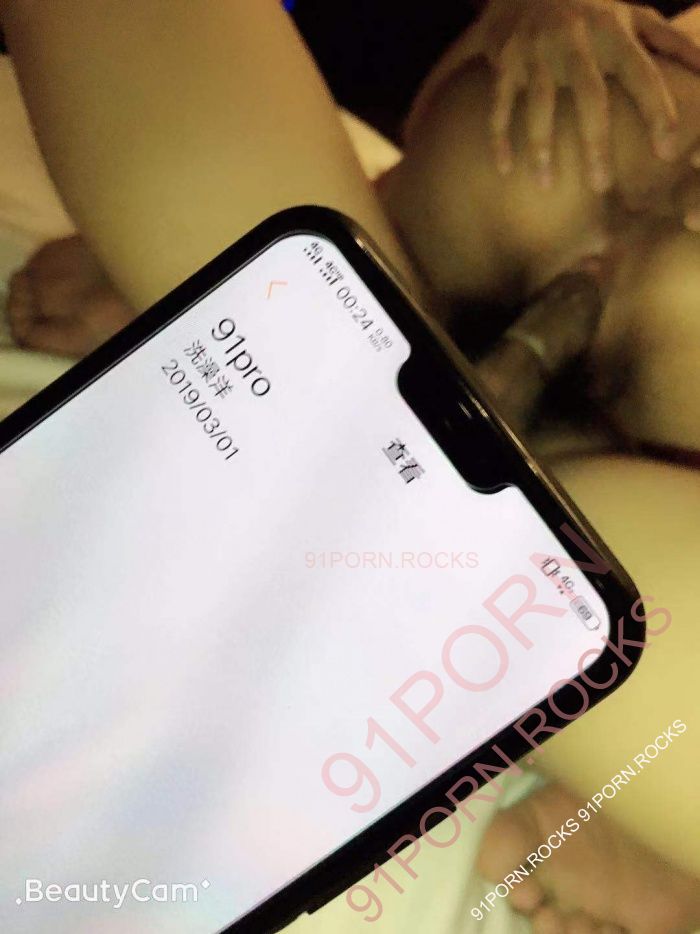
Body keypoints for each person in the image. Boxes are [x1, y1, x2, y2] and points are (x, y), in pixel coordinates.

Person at [2, 0, 700, 930]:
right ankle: (276, 330)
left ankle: (269, 330)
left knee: (556, 567)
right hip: (371, 281)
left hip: (578, 510)